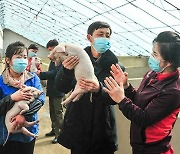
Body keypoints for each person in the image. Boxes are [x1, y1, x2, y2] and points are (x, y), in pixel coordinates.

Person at [102, 31, 180, 154]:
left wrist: (121, 100)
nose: (151, 56)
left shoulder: (173, 91)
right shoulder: (153, 73)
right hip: (139, 144)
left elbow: (144, 118)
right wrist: (126, 86)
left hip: (154, 148)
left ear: (169, 62)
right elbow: (139, 100)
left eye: (155, 54)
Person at [55, 21, 125, 154]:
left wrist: (99, 89)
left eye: (107, 35)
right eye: (100, 34)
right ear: (89, 37)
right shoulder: (75, 60)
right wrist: (66, 71)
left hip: (102, 123)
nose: (104, 38)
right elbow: (61, 87)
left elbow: (114, 99)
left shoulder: (115, 67)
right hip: (78, 119)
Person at [0, 41, 45, 154]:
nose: (23, 60)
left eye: (25, 57)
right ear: (8, 60)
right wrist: (12, 98)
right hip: (6, 133)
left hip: (28, 132)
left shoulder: (32, 78)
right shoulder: (1, 81)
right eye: (18, 57)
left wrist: (24, 116)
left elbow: (41, 98)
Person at [36, 39, 64, 144]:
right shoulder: (53, 60)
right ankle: (54, 129)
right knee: (52, 112)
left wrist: (41, 74)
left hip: (58, 90)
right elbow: (51, 72)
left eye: (52, 50)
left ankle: (60, 134)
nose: (50, 53)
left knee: (58, 113)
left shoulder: (62, 59)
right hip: (52, 90)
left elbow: (56, 73)